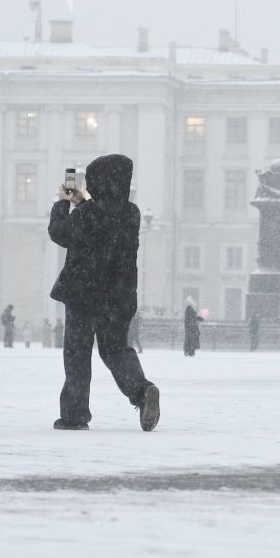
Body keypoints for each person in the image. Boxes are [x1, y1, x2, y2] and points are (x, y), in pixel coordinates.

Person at [47, 153, 160, 432]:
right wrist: (83, 203)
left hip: (84, 294)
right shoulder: (131, 214)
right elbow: (103, 222)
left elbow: (60, 232)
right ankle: (142, 390)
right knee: (116, 350)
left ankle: (74, 415)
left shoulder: (88, 215)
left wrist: (62, 202)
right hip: (119, 296)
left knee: (78, 353)